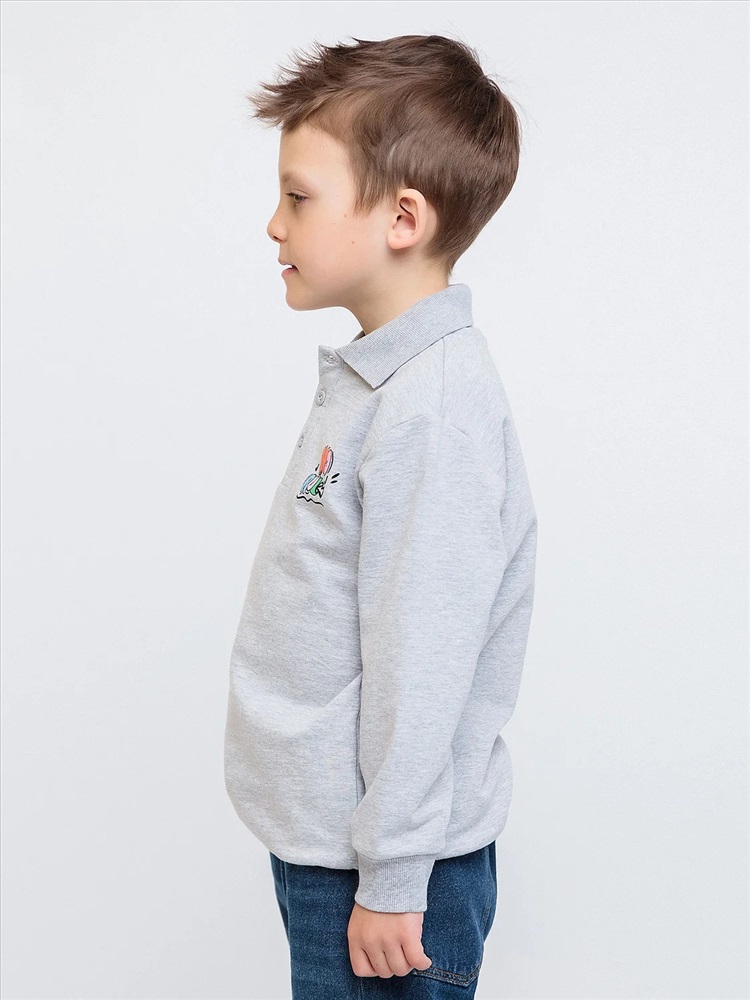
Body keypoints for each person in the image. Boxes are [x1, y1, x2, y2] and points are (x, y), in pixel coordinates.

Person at [223, 32, 538, 999]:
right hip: (338, 851)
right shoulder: (381, 382)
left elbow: (424, 658)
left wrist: (396, 876)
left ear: (403, 217)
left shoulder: (430, 411)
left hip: (389, 877)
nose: (273, 224)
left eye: (299, 197)